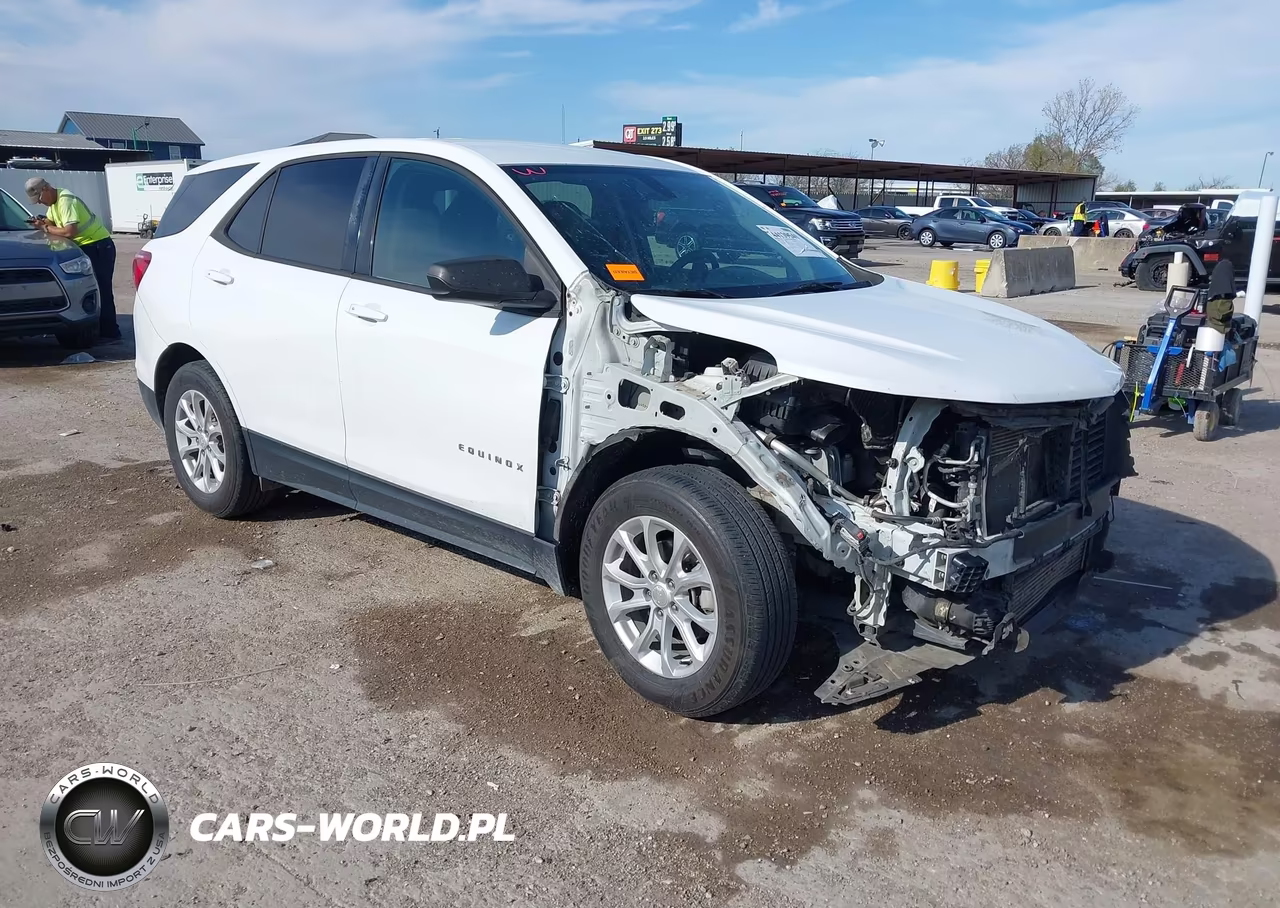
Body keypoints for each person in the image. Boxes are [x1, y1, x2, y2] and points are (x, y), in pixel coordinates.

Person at [24, 177, 120, 341]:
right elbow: (52, 220)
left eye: (39, 198)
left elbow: (69, 231)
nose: (39, 202)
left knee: (101, 289)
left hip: (98, 246)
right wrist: (41, 221)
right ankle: (97, 328)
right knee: (88, 289)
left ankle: (110, 332)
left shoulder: (65, 201)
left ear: (46, 189)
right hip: (86, 247)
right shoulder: (54, 204)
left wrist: (44, 227)